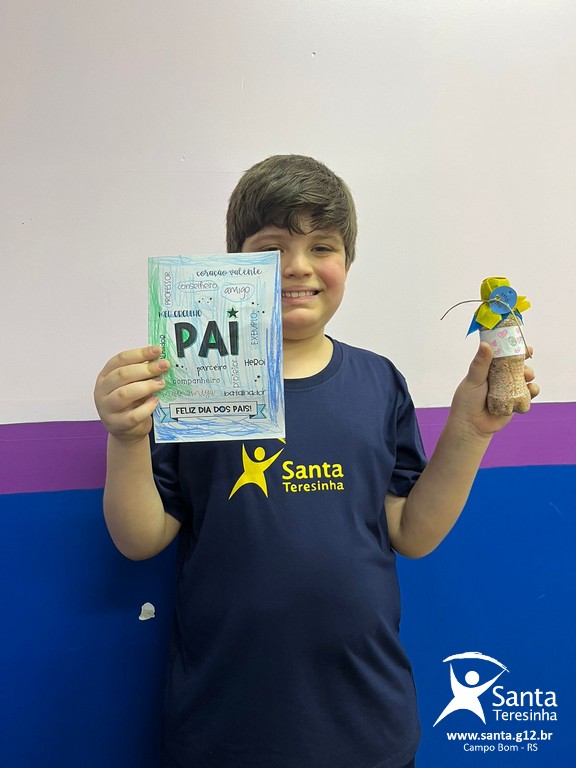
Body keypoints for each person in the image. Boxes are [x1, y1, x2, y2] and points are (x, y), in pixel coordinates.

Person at [94, 155, 538, 768]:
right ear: (236, 266)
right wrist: (125, 438)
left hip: (367, 727)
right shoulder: (190, 383)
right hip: (223, 730)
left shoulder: (379, 382)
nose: (297, 266)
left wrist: (469, 429)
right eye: (271, 248)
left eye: (321, 246)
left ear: (347, 264)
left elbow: (411, 532)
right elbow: (141, 538)